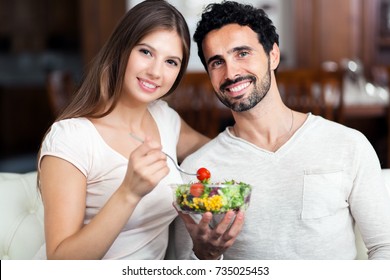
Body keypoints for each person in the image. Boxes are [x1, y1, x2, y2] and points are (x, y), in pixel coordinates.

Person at [172, 0, 390, 259]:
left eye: (242, 53)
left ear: (273, 55)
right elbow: (181, 268)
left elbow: (384, 247)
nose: (230, 73)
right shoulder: (198, 172)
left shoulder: (348, 144)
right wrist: (205, 256)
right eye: (217, 62)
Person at [34, 0, 243, 260]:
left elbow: (222, 151)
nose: (156, 72)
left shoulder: (165, 120)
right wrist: (128, 193)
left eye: (171, 62)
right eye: (146, 52)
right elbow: (60, 263)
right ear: (121, 49)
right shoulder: (71, 137)